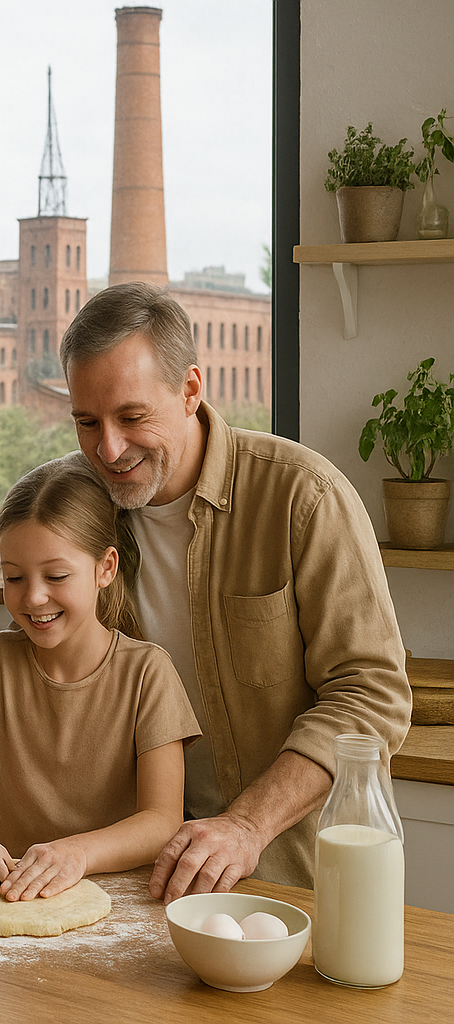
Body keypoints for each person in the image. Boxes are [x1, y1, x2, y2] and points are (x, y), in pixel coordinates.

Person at [59, 281, 412, 899]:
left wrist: (245, 825)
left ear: (191, 389)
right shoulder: (67, 508)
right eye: (87, 422)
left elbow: (372, 696)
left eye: (132, 417)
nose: (107, 449)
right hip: (121, 879)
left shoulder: (304, 498)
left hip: (287, 879)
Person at [0, 459, 200, 902]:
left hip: (117, 906)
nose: (33, 597)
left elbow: (161, 821)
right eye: (14, 577)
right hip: (14, 899)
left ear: (104, 569)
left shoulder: (148, 673)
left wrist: (76, 854)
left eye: (56, 576)